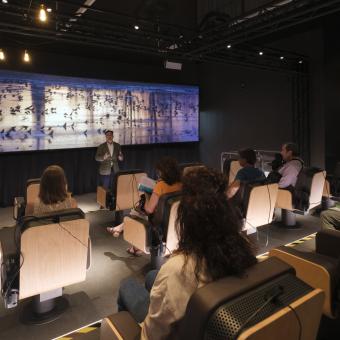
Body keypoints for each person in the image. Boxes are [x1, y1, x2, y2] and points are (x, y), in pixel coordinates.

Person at [117, 168, 257, 339]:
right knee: (152, 276)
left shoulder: (178, 268)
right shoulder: (242, 246)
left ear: (185, 219)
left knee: (128, 285)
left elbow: (153, 334)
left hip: (178, 330)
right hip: (210, 321)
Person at [107, 157, 182, 256]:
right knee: (138, 209)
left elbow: (149, 209)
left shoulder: (160, 185)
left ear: (163, 172)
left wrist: (147, 194)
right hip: (176, 220)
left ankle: (131, 241)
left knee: (138, 211)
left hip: (160, 222)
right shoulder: (181, 183)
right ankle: (130, 241)